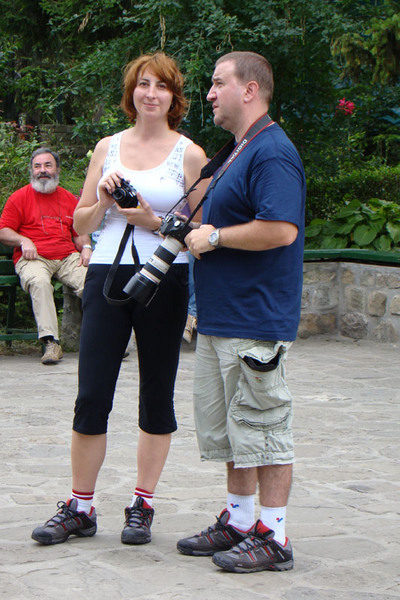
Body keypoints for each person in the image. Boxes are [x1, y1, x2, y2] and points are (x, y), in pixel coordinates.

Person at [31, 52, 208, 546]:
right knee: (91, 392)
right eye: (143, 84)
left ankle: (142, 504)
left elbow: (200, 230)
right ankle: (80, 506)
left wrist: (153, 221)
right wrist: (106, 201)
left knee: (157, 392)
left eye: (161, 86)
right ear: (131, 92)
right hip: (107, 275)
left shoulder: (190, 154)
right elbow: (80, 222)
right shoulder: (107, 147)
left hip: (164, 278)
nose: (151, 93)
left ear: (174, 96)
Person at [177, 51, 306, 573]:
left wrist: (214, 237)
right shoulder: (237, 150)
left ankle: (274, 536)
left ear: (250, 89)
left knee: (265, 428)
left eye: (217, 83)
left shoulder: (271, 152)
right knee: (234, 430)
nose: (209, 93)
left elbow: (280, 229)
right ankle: (239, 519)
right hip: (221, 318)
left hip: (255, 320)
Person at [0, 148, 92, 364]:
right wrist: (23, 240)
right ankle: (51, 343)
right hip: (34, 258)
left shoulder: (69, 199)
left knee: (92, 282)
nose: (43, 170)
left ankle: (106, 340)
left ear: (57, 170)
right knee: (39, 282)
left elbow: (80, 232)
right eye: (38, 166)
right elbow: (3, 231)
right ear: (31, 170)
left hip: (67, 257)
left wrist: (87, 247)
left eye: (48, 165)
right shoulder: (19, 197)